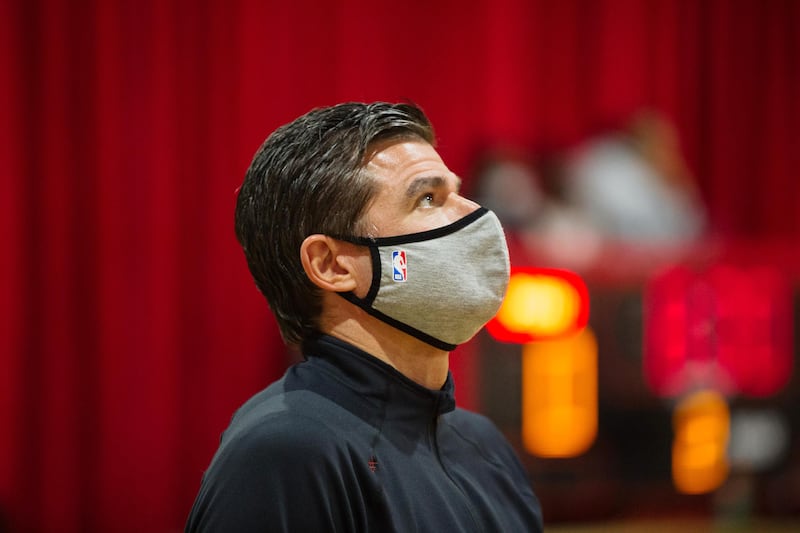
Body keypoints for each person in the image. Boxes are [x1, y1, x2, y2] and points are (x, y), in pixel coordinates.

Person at [185, 102, 543, 532]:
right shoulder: (285, 454)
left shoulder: (484, 446)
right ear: (332, 265)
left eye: (458, 190)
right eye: (428, 198)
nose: (476, 216)